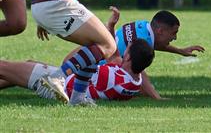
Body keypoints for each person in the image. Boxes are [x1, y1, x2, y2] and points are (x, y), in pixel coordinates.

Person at [0, 38, 154, 102]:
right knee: (25, 66)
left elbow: (70, 63)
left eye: (125, 50)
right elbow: (113, 56)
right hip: (65, 86)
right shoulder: (135, 81)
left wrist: (90, 39)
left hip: (57, 86)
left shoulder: (111, 78)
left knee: (4, 67)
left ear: (128, 58)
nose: (122, 52)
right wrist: (109, 30)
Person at [101, 8, 205, 99]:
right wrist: (156, 97)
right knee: (135, 86)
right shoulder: (145, 40)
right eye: (174, 33)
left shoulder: (144, 26)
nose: (175, 37)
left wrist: (180, 51)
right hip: (101, 71)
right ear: (160, 31)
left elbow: (156, 44)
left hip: (101, 61)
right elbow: (139, 70)